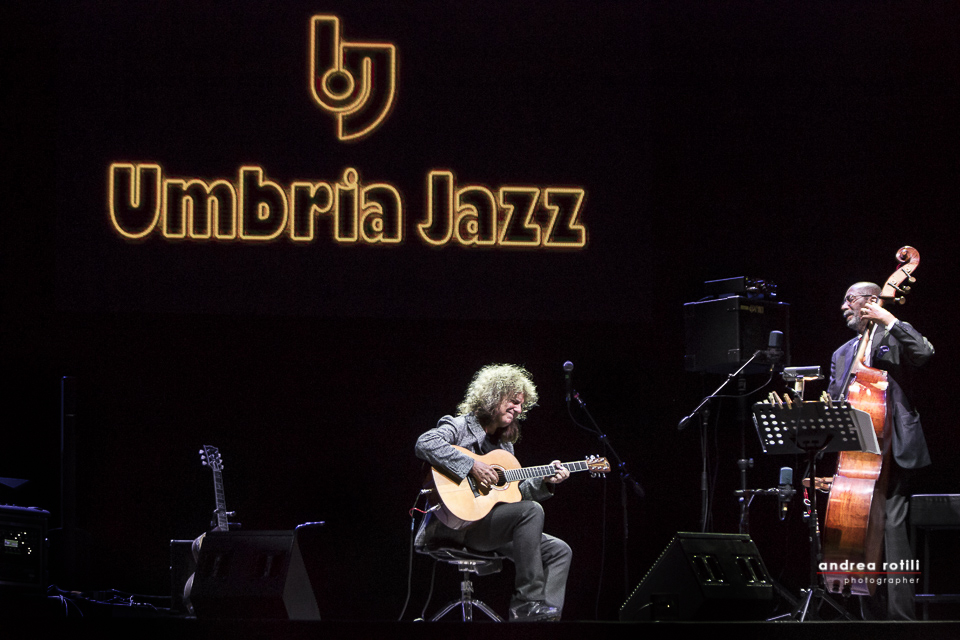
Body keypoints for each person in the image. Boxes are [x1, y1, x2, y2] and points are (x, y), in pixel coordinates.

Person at [415, 363, 572, 622]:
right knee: (532, 512)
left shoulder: (503, 447)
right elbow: (425, 443)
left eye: (522, 405)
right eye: (513, 401)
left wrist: (545, 480)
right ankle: (527, 603)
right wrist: (471, 465)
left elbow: (514, 494)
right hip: (459, 526)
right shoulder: (459, 426)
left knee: (559, 550)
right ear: (493, 397)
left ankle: (541, 624)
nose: (518, 409)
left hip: (490, 526)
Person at [826, 282, 934, 620]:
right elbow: (837, 402)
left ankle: (902, 620)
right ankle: (868, 619)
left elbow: (924, 353)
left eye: (850, 299)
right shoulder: (842, 353)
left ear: (871, 301)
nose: (844, 305)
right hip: (856, 455)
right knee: (856, 535)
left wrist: (888, 318)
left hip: (892, 449)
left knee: (893, 532)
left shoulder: (893, 336)